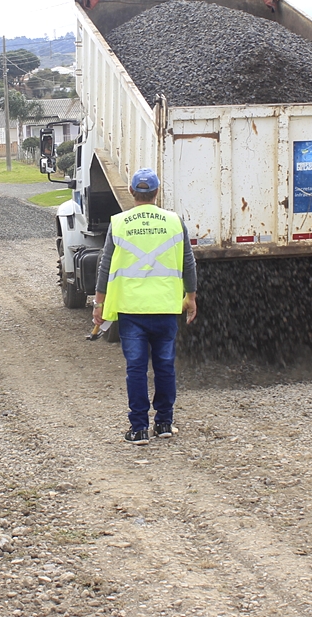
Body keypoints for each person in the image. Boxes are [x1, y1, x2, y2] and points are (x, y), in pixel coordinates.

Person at [93, 168, 197, 445]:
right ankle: (164, 423)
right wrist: (191, 298)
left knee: (136, 369)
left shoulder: (119, 223)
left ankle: (138, 428)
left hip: (132, 309)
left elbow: (105, 266)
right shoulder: (175, 221)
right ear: (157, 192)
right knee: (165, 367)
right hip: (165, 307)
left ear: (130, 192)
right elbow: (188, 262)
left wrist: (98, 304)